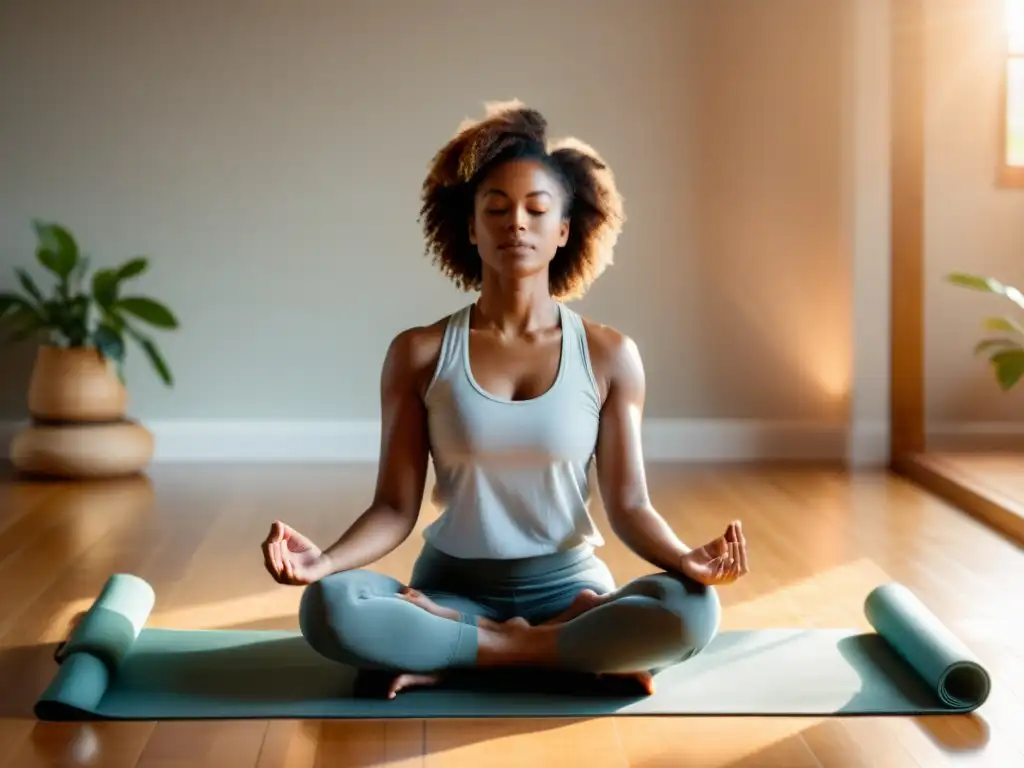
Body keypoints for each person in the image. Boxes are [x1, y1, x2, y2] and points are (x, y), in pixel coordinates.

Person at [261, 100, 749, 699]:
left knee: (692, 610)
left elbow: (629, 505)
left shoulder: (610, 355)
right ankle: (560, 651)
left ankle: (468, 649)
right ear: (470, 228)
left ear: (564, 230)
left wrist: (685, 559)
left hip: (572, 592)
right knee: (330, 608)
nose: (516, 222)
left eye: (537, 209)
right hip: (448, 592)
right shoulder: (418, 353)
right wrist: (323, 564)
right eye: (495, 208)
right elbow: (394, 506)